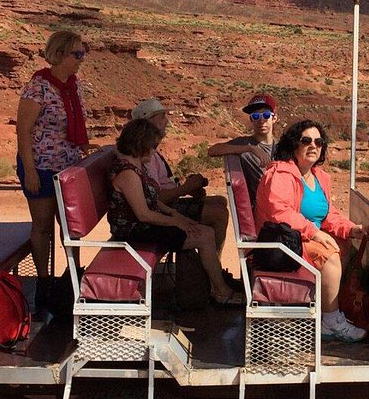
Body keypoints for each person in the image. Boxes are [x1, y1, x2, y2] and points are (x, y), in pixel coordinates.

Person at [255, 120, 369, 343]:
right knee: (330, 257)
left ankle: (325, 306)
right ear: (293, 145)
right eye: (305, 140)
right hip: (282, 242)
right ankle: (331, 320)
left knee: (346, 246)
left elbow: (328, 214)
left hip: (301, 239)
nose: (313, 145)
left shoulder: (319, 177)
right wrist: (315, 233)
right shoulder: (280, 174)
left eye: (318, 141)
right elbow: (280, 212)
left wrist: (351, 229)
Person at [109, 118, 241, 304]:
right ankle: (220, 291)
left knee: (201, 231)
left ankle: (215, 284)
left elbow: (152, 199)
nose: (155, 150)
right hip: (135, 231)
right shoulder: (128, 173)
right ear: (141, 144)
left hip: (143, 227)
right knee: (204, 235)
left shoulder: (136, 166)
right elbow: (143, 214)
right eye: (152, 146)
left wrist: (177, 215)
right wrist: (177, 222)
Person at [16, 30, 96, 280]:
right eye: (77, 54)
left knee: (71, 226)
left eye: (83, 53)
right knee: (42, 227)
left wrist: (84, 147)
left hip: (68, 169)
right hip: (41, 167)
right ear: (59, 54)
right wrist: (30, 172)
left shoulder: (74, 85)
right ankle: (44, 280)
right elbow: (23, 130)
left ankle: (73, 276)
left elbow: (75, 123)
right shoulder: (38, 87)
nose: (82, 59)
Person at [131, 98, 231, 257]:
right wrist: (186, 188)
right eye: (162, 117)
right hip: (160, 210)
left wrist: (188, 189)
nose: (167, 121)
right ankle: (211, 263)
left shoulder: (151, 150)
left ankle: (203, 262)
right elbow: (156, 197)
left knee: (221, 201)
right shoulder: (145, 155)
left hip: (167, 204)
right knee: (218, 214)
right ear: (149, 122)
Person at [208, 93, 277, 205]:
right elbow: (213, 151)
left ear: (274, 118)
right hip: (260, 209)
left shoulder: (283, 148)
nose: (261, 120)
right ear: (251, 120)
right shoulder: (244, 143)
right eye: (255, 116)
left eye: (266, 115)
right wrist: (250, 148)